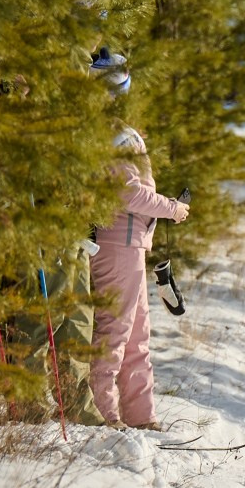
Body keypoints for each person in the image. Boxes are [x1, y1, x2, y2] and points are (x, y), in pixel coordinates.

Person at [86, 48, 190, 429]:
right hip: (118, 245)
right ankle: (104, 414)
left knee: (136, 334)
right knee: (115, 331)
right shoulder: (113, 135)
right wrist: (172, 208)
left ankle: (141, 416)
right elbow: (129, 194)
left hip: (131, 245)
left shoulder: (116, 131)